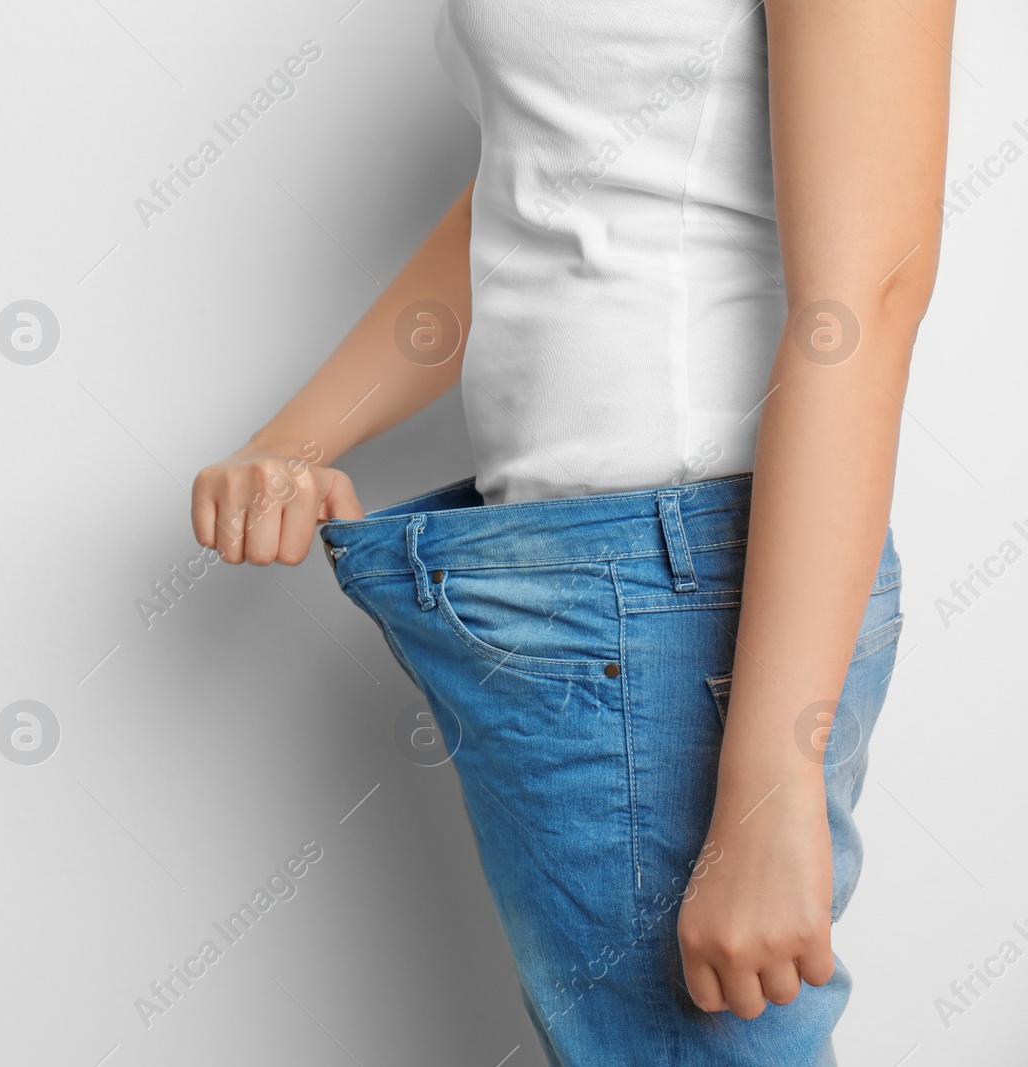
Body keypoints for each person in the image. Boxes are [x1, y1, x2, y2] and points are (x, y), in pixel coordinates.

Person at [189, 0, 954, 1063]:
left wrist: (769, 794)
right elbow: (557, 180)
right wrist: (299, 436)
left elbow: (865, 295)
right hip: (587, 583)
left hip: (677, 594)